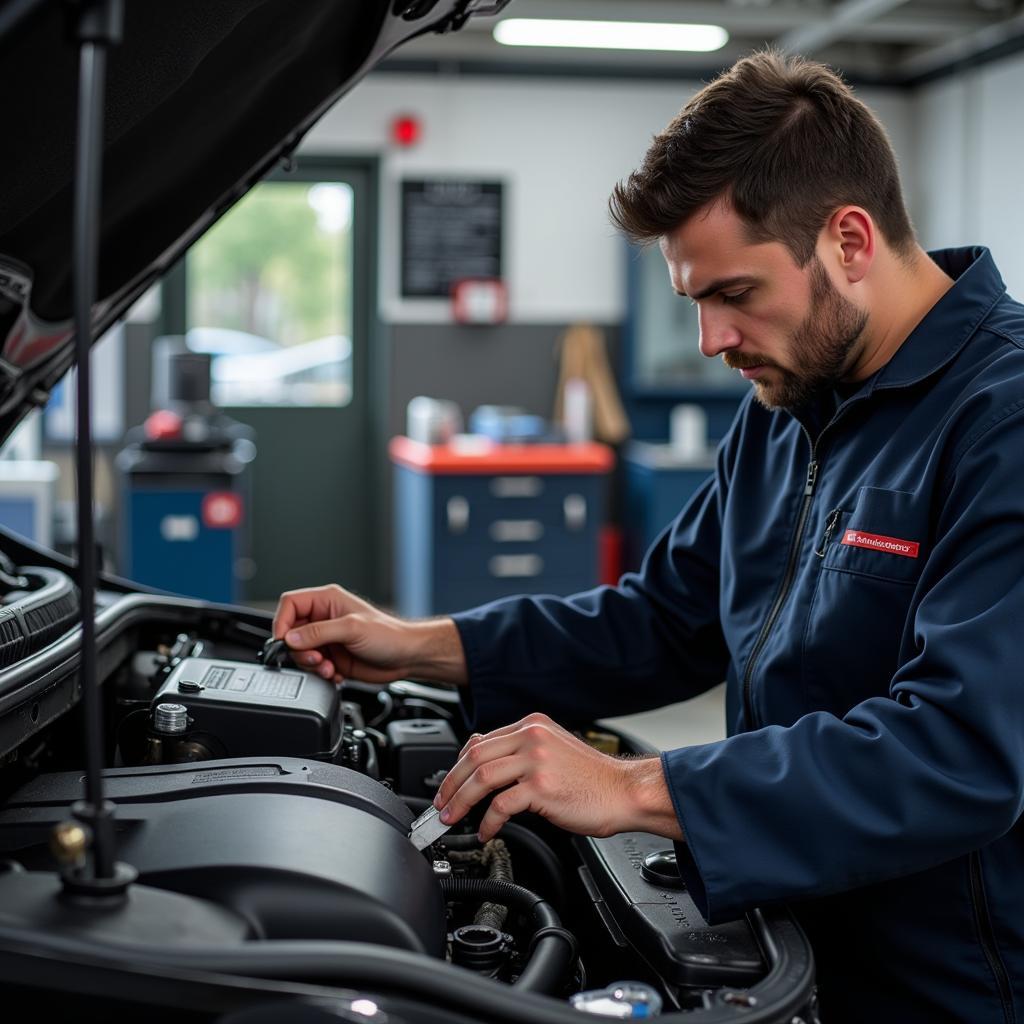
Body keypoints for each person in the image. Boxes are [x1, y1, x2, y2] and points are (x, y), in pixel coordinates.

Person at [274, 51, 1024, 1023]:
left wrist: (638, 786)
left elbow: (958, 749)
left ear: (848, 239)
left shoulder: (997, 421)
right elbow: (663, 619)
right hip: (783, 934)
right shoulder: (786, 403)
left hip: (949, 983)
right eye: (693, 302)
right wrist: (420, 644)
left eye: (737, 293)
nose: (713, 338)